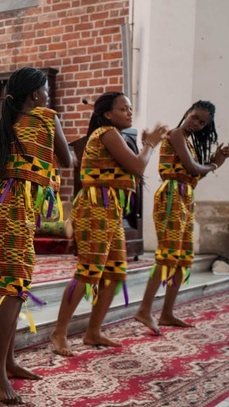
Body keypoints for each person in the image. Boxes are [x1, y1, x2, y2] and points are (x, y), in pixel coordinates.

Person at [0, 67, 72, 404]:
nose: (48, 96)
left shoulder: (4, 125)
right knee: (14, 289)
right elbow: (67, 160)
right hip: (13, 207)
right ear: (36, 95)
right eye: (45, 90)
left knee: (8, 287)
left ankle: (9, 363)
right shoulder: (46, 117)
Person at [49, 92, 168, 356]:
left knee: (115, 273)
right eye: (123, 108)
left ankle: (93, 332)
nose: (129, 112)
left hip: (108, 207)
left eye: (130, 108)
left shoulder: (112, 134)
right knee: (88, 271)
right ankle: (59, 332)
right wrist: (149, 144)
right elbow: (138, 167)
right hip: (95, 206)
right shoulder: (107, 133)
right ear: (107, 114)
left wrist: (146, 144)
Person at [134, 100, 229, 334]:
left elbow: (194, 174)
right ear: (187, 112)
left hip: (185, 196)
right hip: (170, 197)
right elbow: (193, 167)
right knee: (168, 256)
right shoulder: (177, 133)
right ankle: (144, 310)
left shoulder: (189, 141)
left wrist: (215, 162)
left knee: (183, 258)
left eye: (202, 122)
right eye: (194, 117)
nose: (196, 123)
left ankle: (167, 312)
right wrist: (215, 164)